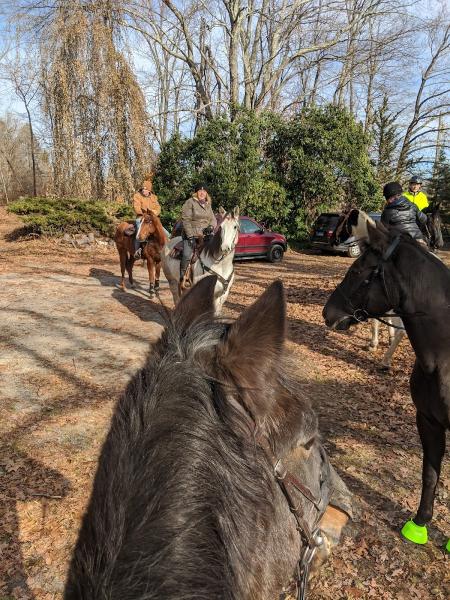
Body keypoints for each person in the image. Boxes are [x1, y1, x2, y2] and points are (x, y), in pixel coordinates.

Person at [180, 183, 217, 283]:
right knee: (187, 255)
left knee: (215, 250)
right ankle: (183, 277)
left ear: (206, 193)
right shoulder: (190, 202)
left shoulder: (208, 204)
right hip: (192, 235)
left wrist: (211, 226)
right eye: (200, 191)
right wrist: (190, 236)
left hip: (206, 235)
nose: (202, 193)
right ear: (196, 192)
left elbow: (213, 219)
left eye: (204, 191)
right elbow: (185, 220)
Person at [133, 179, 161, 258]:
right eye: (143, 188)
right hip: (141, 217)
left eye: (145, 189)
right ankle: (137, 250)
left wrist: (154, 213)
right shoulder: (137, 196)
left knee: (163, 230)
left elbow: (158, 207)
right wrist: (144, 214)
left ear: (149, 190)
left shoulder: (154, 197)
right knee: (139, 229)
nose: (143, 190)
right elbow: (136, 207)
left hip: (152, 218)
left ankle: (165, 247)